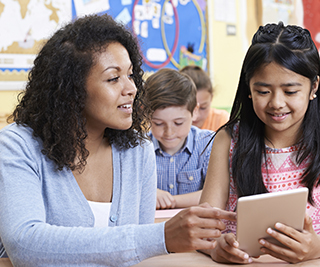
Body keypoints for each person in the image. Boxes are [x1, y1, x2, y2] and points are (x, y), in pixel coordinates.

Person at [0, 14, 236, 265]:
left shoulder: (137, 149)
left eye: (131, 75)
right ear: (72, 89)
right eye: (114, 78)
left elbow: (138, 257)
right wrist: (161, 237)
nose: (132, 88)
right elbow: (24, 243)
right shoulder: (17, 146)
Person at [199, 22, 320, 264]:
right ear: (248, 88)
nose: (277, 103)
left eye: (290, 91)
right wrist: (216, 248)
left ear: (313, 86)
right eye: (263, 91)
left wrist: (319, 247)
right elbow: (203, 227)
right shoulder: (228, 140)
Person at [145, 68, 214, 209]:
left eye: (178, 123)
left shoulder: (208, 144)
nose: (169, 132)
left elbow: (215, 194)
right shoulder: (139, 149)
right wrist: (148, 193)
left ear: (194, 112)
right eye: (158, 123)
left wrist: (170, 201)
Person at [180, 65, 229, 131]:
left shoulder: (221, 120)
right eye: (190, 108)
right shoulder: (170, 122)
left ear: (211, 98)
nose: (197, 116)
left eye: (203, 107)